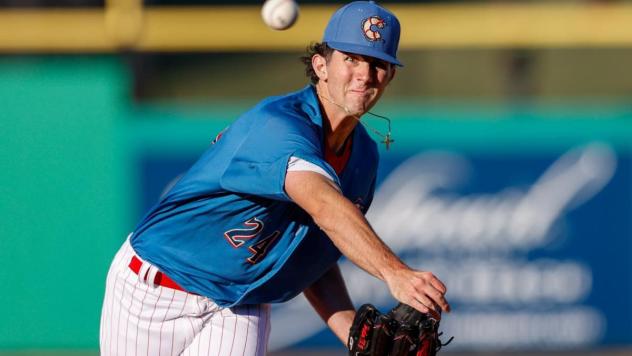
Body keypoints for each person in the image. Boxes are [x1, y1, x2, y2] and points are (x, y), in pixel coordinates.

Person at [99, 1, 450, 355]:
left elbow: (312, 256)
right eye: (351, 59)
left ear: (390, 76)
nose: (364, 74)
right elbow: (325, 207)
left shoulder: (363, 157)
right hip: (156, 288)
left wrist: (350, 333)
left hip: (239, 303)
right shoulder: (279, 125)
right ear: (321, 65)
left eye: (377, 64)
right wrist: (395, 273)